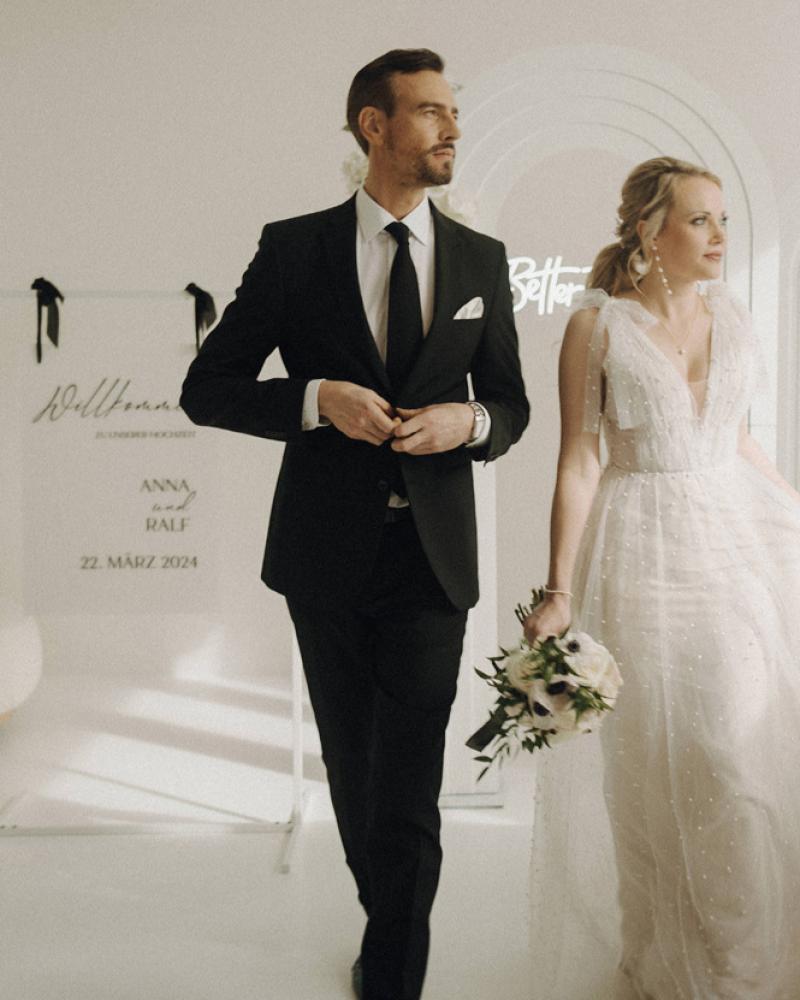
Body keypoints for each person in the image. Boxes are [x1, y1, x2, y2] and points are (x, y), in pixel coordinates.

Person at [180, 48, 528, 1000]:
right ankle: (388, 920)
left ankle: (395, 971)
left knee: (409, 779)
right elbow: (207, 389)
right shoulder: (295, 249)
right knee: (355, 766)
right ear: (375, 125)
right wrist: (315, 399)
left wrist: (470, 423)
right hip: (325, 556)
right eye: (431, 111)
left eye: (453, 111)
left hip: (432, 558)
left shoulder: (481, 260)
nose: (453, 127)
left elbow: (511, 405)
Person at [523, 156, 800, 999]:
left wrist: (795, 511)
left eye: (724, 219)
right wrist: (558, 591)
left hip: (734, 544)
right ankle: (661, 957)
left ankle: (741, 972)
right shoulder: (597, 327)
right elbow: (579, 460)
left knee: (734, 753)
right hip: (640, 552)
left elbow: (739, 439)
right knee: (652, 767)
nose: (720, 236)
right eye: (700, 219)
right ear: (650, 230)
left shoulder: (735, 318)